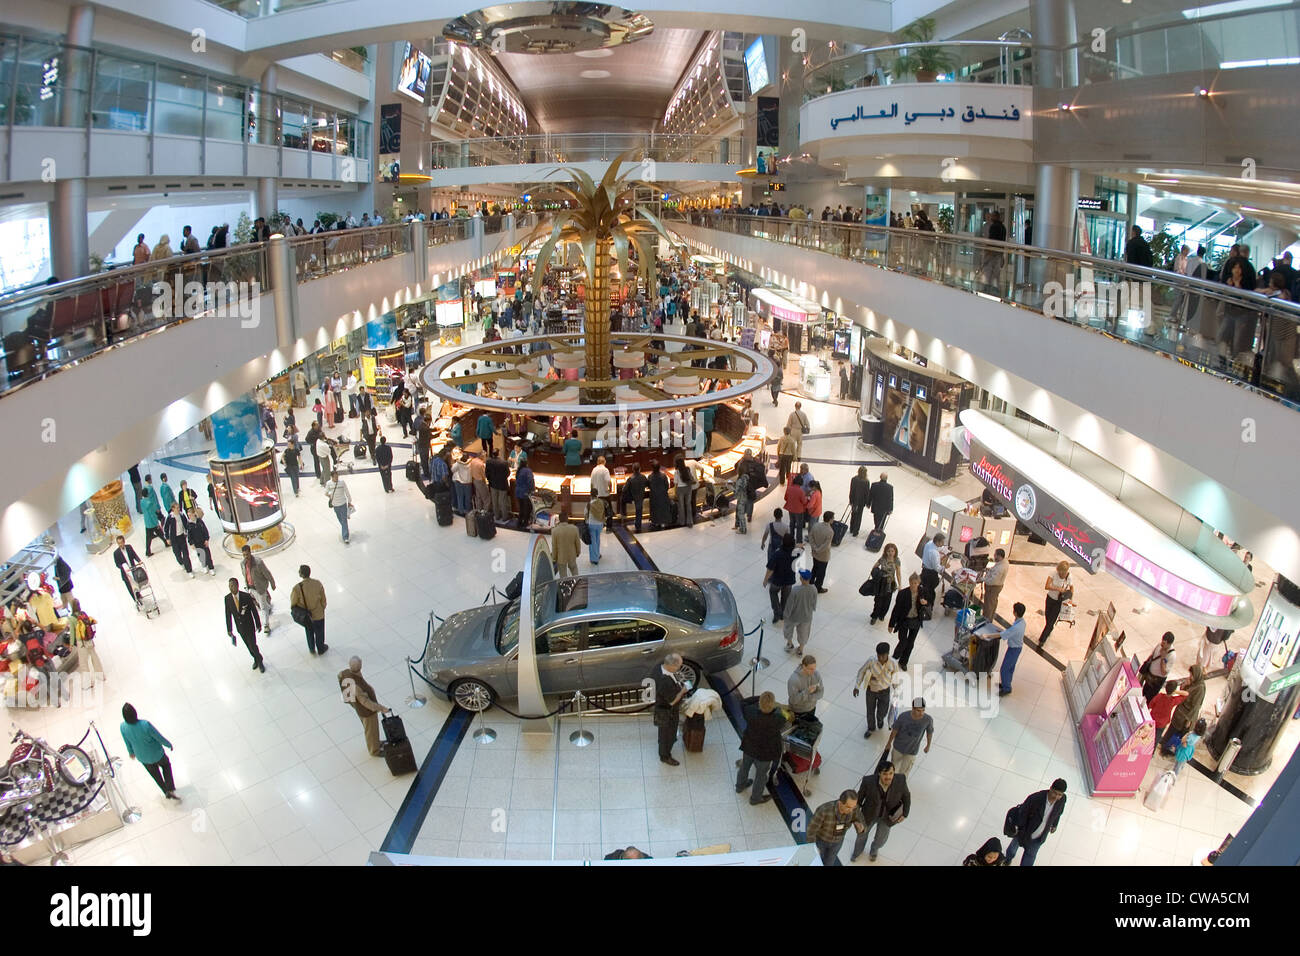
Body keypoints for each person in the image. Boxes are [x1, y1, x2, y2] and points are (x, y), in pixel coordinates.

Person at [851, 761, 910, 862]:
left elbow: (906, 796)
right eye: (885, 774)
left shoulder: (901, 780)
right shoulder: (868, 781)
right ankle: (857, 852)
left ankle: (874, 850)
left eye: (891, 773)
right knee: (861, 835)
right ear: (879, 773)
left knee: (881, 840)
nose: (888, 777)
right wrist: (856, 819)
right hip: (869, 814)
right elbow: (858, 801)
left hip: (888, 816)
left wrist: (905, 813)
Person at [119, 703, 179, 800]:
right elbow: (158, 737)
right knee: (166, 766)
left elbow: (127, 742)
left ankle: (166, 792)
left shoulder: (123, 727)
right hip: (157, 754)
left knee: (156, 775)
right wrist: (168, 744)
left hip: (143, 757)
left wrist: (131, 753)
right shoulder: (145, 725)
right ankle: (170, 788)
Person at [736, 691, 784, 805]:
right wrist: (774, 707)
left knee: (744, 766)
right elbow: (782, 716)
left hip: (749, 746)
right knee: (761, 775)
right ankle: (755, 798)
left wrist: (760, 698)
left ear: (759, 703)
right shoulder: (777, 719)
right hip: (765, 753)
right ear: (772, 705)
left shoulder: (750, 712)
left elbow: (744, 702)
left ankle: (740, 786)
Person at [1005, 779, 1068, 866]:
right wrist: (1021, 831)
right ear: (1050, 788)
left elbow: (1058, 813)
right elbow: (1022, 815)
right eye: (1055, 793)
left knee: (1030, 857)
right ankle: (1007, 859)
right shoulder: (1035, 798)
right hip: (1024, 832)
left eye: (1059, 795)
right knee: (1012, 849)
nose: (1056, 797)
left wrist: (1054, 824)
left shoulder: (1062, 799)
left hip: (1039, 837)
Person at [338, 657, 392, 757]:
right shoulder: (356, 686)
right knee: (370, 730)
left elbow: (341, 680)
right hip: (366, 712)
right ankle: (374, 750)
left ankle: (376, 742)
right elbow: (366, 702)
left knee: (372, 730)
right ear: (360, 666)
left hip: (357, 706)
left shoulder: (345, 673)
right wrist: (381, 708)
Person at [853, 641, 899, 739]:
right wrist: (857, 686)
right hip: (871, 690)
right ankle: (871, 728)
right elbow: (862, 671)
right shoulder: (871, 660)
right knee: (870, 710)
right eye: (879, 655)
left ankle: (880, 719)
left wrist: (896, 692)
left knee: (883, 711)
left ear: (888, 654)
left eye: (883, 656)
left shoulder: (893, 663)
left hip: (885, 691)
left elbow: (896, 678)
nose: (880, 658)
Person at [651, 653, 690, 766]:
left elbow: (674, 677)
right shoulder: (664, 681)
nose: (679, 668)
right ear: (672, 666)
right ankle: (665, 756)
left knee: (663, 732)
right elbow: (672, 701)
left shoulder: (660, 667)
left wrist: (678, 681)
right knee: (668, 734)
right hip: (667, 711)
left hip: (662, 706)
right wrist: (683, 690)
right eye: (679, 666)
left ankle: (664, 744)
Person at [809, 791, 867, 867]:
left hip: (837, 842)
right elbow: (811, 830)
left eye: (854, 807)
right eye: (848, 807)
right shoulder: (824, 810)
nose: (851, 810)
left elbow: (862, 823)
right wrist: (813, 848)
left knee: (829, 862)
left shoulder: (853, 809)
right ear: (840, 803)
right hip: (821, 841)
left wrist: (861, 828)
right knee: (816, 862)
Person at [1161, 664, 1206, 755]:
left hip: (1185, 716)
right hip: (1179, 713)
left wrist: (1189, 720)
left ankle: (1169, 750)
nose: (1190, 677)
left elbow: (1196, 706)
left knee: (1177, 734)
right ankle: (1164, 744)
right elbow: (1183, 692)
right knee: (1172, 729)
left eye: (1192, 675)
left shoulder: (1200, 688)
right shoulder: (1192, 683)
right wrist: (1185, 684)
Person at [224, 577, 265, 672]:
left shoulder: (246, 596)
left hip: (249, 626)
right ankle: (255, 658)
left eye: (233, 585)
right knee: (248, 646)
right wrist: (229, 629)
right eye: (229, 586)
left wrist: (258, 624)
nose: (231, 588)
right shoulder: (228, 599)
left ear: (237, 586)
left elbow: (254, 611)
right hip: (240, 628)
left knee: (253, 645)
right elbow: (228, 614)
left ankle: (260, 660)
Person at [884, 697, 933, 776]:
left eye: (923, 710)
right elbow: (895, 730)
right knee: (893, 768)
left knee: (904, 772)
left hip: (912, 751)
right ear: (913, 708)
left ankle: (900, 785)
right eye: (918, 710)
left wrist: (928, 745)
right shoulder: (903, 716)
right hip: (898, 748)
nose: (921, 713)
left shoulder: (928, 720)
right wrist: (889, 743)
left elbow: (929, 733)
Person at [889, 573, 927, 668]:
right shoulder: (902, 594)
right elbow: (896, 609)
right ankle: (894, 658)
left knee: (910, 643)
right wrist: (891, 624)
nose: (914, 585)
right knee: (903, 641)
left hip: (916, 620)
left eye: (916, 583)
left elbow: (928, 602)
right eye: (912, 583)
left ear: (918, 583)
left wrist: (925, 602)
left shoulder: (922, 592)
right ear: (909, 582)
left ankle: (903, 662)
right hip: (904, 620)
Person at [290, 564, 328, 656]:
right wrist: (322, 608)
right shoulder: (317, 583)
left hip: (307, 616)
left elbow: (293, 603)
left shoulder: (297, 588)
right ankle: (321, 648)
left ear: (301, 574)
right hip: (318, 613)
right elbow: (323, 599)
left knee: (309, 631)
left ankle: (311, 648)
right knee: (320, 632)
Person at [239, 544, 276, 634]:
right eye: (243, 555)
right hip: (251, 588)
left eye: (247, 554)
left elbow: (267, 573)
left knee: (262, 607)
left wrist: (272, 583)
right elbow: (245, 575)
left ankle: (266, 625)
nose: (245, 557)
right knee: (261, 604)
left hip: (260, 588)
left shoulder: (258, 562)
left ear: (250, 552)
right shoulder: (242, 563)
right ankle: (268, 606)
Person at [783, 570, 819, 654]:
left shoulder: (795, 590)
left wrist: (786, 614)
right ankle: (800, 649)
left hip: (794, 616)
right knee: (803, 632)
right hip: (807, 617)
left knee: (788, 629)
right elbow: (814, 603)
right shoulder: (814, 589)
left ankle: (790, 644)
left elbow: (790, 604)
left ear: (802, 578)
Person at [764, 533, 798, 623]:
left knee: (773, 592)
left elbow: (770, 568)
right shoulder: (795, 553)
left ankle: (777, 612)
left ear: (782, 542)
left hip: (777, 580)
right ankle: (783, 613)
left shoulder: (777, 554)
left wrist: (765, 579)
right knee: (785, 597)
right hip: (789, 580)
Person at [1039, 560, 1073, 647]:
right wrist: (1058, 589)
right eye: (1060, 572)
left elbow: (1072, 588)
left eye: (1062, 572)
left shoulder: (1069, 577)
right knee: (1048, 617)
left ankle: (1042, 640)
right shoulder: (1053, 573)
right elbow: (1047, 586)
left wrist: (1070, 599)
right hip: (1050, 598)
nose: (1061, 574)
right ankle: (1049, 630)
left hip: (1059, 602)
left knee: (1051, 621)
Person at [997, 603, 1028, 696]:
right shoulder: (1022, 622)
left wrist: (987, 635)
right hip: (1016, 648)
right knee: (1010, 668)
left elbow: (1004, 635)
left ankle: (1006, 688)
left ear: (1015, 612)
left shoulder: (1016, 627)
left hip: (1013, 649)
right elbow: (1008, 632)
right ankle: (1005, 684)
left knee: (1004, 669)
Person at [868, 542, 902, 625]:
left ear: (895, 552)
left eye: (892, 551)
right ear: (886, 552)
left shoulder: (897, 560)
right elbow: (875, 566)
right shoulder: (883, 558)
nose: (890, 553)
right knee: (878, 600)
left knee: (887, 601)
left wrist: (900, 584)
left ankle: (882, 614)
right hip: (881, 583)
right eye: (889, 551)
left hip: (890, 584)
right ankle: (874, 616)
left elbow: (898, 573)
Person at [1149, 680, 1187, 753]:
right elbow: (1186, 694)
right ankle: (1151, 753)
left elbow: (1150, 705)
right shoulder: (1173, 701)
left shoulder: (1159, 696)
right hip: (1162, 723)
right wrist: (1175, 691)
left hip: (1153, 719)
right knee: (1156, 738)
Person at [1140, 631, 1177, 703]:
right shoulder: (1159, 645)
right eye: (1162, 641)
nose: (1162, 644)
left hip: (1157, 681)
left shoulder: (1172, 655)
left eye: (1164, 643)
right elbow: (1151, 656)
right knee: (1142, 694)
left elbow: (1164, 672)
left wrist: (1163, 658)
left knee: (1148, 701)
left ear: (1169, 644)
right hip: (1149, 677)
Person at [786, 654, 824, 720]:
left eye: (814, 668)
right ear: (804, 666)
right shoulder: (794, 680)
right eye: (811, 669)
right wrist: (807, 692)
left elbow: (821, 692)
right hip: (798, 711)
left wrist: (810, 698)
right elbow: (793, 700)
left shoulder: (816, 674)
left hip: (812, 708)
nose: (813, 671)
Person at [163, 503, 194, 577]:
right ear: (173, 509)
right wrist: (167, 538)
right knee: (177, 554)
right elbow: (166, 528)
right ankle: (181, 562)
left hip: (182, 537)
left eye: (178, 507)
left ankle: (189, 570)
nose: (178, 509)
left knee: (186, 554)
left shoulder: (182, 515)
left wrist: (188, 533)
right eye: (176, 508)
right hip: (174, 539)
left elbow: (186, 525)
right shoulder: (170, 517)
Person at [112, 535, 144, 606]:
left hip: (133, 570)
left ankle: (138, 595)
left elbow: (134, 555)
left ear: (124, 542)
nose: (120, 544)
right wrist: (123, 567)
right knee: (130, 587)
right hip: (126, 573)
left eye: (121, 542)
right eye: (119, 543)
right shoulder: (116, 553)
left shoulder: (129, 547)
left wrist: (139, 561)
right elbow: (117, 564)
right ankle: (136, 600)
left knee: (136, 584)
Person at [808, 510, 834, 592]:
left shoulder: (816, 525)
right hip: (823, 556)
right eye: (833, 518)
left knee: (815, 568)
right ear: (830, 519)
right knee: (821, 573)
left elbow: (810, 537)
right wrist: (818, 550)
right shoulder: (830, 531)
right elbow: (826, 545)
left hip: (815, 553)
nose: (833, 519)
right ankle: (818, 587)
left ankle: (810, 582)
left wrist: (814, 548)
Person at [324, 470, 353, 544]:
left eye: (337, 476)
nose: (337, 478)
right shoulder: (328, 483)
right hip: (335, 505)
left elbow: (347, 491)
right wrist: (330, 496)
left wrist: (349, 501)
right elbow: (325, 493)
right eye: (335, 477)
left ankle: (345, 537)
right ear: (332, 477)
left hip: (343, 504)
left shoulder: (342, 482)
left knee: (344, 520)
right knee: (341, 519)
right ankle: (345, 528)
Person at [550, 513, 581, 577]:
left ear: (559, 520)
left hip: (561, 556)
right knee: (574, 570)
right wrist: (578, 552)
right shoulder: (574, 528)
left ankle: (564, 585)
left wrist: (554, 557)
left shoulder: (555, 531)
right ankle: (577, 583)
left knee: (563, 574)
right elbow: (577, 542)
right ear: (567, 519)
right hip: (572, 554)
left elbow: (554, 546)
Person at [920, 532, 946, 608]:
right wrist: (944, 567)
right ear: (937, 542)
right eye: (942, 542)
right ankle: (928, 607)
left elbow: (939, 548)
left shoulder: (930, 543)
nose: (943, 544)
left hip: (924, 569)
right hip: (930, 573)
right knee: (930, 591)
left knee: (925, 588)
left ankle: (925, 605)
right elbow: (937, 568)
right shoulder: (934, 553)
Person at [140, 481, 166, 556]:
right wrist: (156, 523)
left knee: (148, 538)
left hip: (147, 522)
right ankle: (166, 543)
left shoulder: (142, 502)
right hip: (152, 523)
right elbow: (152, 514)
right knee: (160, 533)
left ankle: (148, 551)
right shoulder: (150, 503)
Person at [982, 548, 1008, 623]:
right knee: (992, 604)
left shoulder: (1000, 568)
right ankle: (988, 618)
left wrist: (983, 579)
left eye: (995, 555)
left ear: (999, 556)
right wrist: (989, 570)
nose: (994, 557)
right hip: (996, 587)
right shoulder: (1003, 562)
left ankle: (986, 621)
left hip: (993, 588)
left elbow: (992, 581)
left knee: (989, 605)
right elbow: (995, 570)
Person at [187, 506, 215, 575]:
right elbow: (189, 535)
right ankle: (204, 566)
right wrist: (191, 543)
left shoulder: (199, 521)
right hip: (197, 543)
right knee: (201, 555)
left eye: (190, 515)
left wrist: (206, 539)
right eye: (188, 515)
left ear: (194, 514)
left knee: (208, 555)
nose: (189, 517)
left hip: (203, 541)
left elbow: (205, 530)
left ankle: (211, 568)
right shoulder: (189, 524)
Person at [485, 449, 512, 521]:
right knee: (503, 501)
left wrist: (490, 480)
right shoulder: (504, 463)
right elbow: (508, 473)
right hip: (502, 484)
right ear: (499, 454)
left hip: (493, 484)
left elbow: (487, 473)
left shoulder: (488, 462)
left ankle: (497, 516)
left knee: (494, 501)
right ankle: (504, 517)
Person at [620, 462, 647, 532]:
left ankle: (623, 515)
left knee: (622, 500)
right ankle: (638, 525)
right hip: (641, 496)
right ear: (640, 469)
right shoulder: (643, 477)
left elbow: (624, 489)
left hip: (632, 496)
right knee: (639, 510)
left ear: (633, 469)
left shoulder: (630, 479)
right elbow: (647, 485)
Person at [589, 456, 613, 529]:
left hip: (596, 495)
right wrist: (610, 489)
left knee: (598, 512)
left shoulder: (594, 470)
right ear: (604, 461)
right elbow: (608, 481)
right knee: (609, 511)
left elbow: (591, 483)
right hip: (604, 494)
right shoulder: (605, 470)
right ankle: (608, 526)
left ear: (597, 462)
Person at [783, 477, 806, 546]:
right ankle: (799, 541)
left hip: (790, 509)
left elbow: (785, 498)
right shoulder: (801, 491)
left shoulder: (789, 488)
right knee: (799, 526)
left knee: (792, 524)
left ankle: (791, 538)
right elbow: (804, 501)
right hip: (799, 511)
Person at [848, 466, 870, 537]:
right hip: (861, 502)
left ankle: (851, 528)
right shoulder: (866, 481)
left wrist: (850, 500)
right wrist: (867, 503)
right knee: (859, 516)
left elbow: (851, 490)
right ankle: (855, 531)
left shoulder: (854, 479)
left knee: (853, 514)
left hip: (854, 500)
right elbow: (867, 493)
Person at [514, 454, 535, 529]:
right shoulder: (528, 471)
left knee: (521, 508)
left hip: (518, 492)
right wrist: (533, 490)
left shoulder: (519, 470)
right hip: (525, 493)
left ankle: (519, 523)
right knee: (528, 508)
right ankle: (525, 523)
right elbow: (530, 482)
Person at [585, 496, 607, 564]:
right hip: (600, 524)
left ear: (591, 496)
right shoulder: (601, 502)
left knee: (592, 541)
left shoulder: (589, 504)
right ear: (597, 495)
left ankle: (594, 559)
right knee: (597, 539)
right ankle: (597, 554)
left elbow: (585, 513)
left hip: (591, 524)